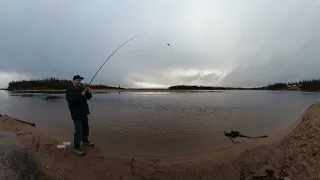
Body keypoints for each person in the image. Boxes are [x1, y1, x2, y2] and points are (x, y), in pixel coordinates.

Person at [66, 75, 94, 155]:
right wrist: (81, 95)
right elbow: (72, 100)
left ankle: (85, 141)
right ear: (73, 81)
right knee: (78, 131)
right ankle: (76, 148)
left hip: (84, 112)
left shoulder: (82, 88)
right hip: (76, 114)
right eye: (78, 80)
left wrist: (88, 92)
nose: (79, 82)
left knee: (86, 128)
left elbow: (88, 97)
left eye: (80, 80)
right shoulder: (70, 90)